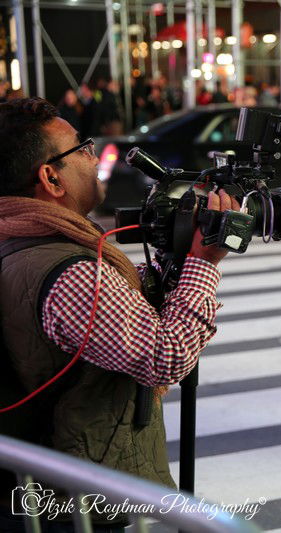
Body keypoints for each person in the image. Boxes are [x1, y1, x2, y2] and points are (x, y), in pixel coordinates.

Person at [0, 98, 235, 531]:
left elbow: (110, 309)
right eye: (82, 149)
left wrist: (173, 263)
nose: (92, 158)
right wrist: (204, 262)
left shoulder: (17, 236)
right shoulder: (72, 274)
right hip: (67, 501)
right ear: (50, 177)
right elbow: (165, 356)